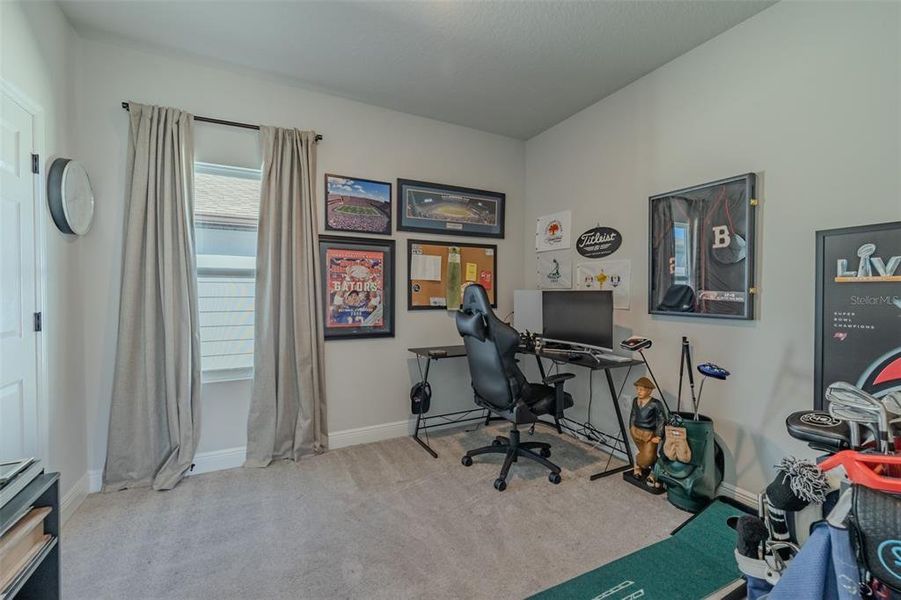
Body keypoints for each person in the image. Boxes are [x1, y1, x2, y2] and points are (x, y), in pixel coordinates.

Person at [629, 376, 666, 485]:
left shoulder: (655, 404)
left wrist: (659, 436)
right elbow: (633, 415)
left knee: (648, 458)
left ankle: (638, 463)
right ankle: (652, 473)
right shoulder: (635, 401)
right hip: (636, 432)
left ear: (649, 390)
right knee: (647, 454)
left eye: (642, 389)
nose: (638, 391)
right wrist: (631, 427)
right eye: (637, 389)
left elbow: (662, 419)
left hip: (650, 434)